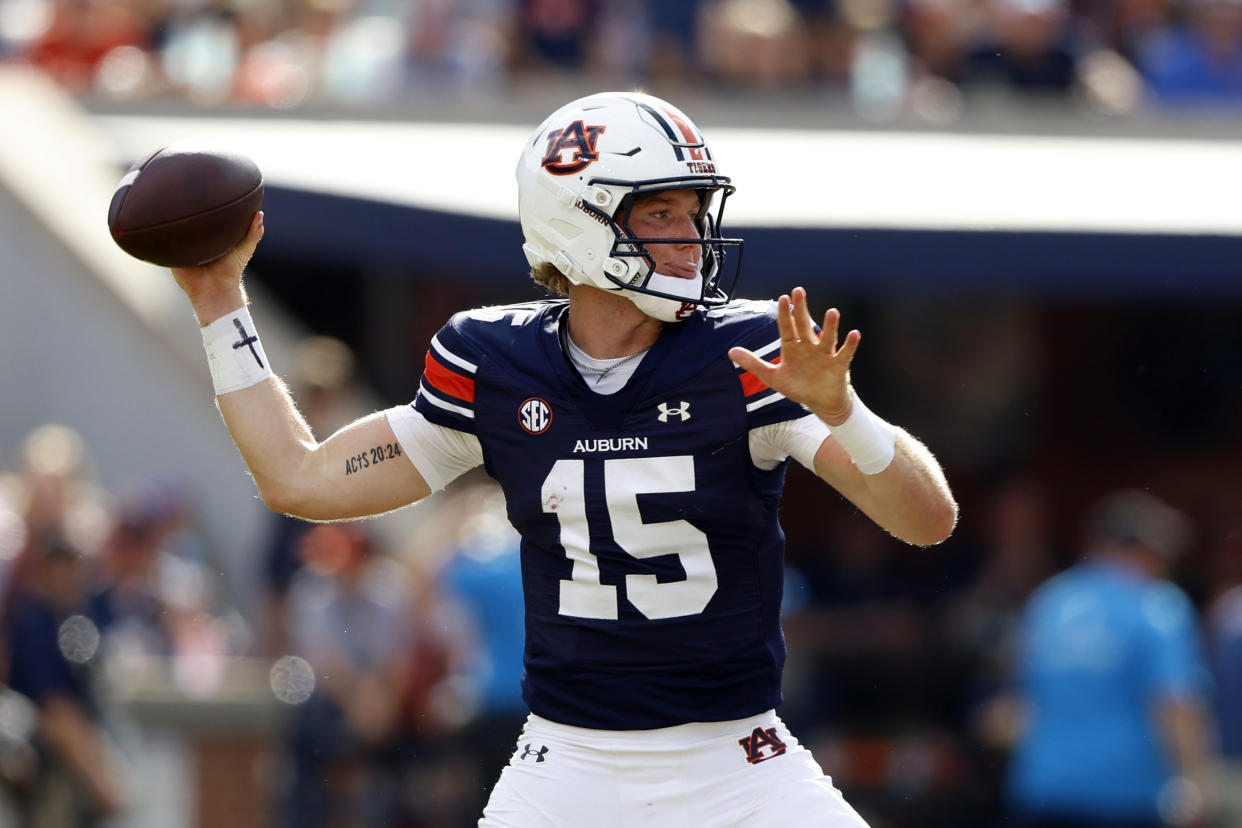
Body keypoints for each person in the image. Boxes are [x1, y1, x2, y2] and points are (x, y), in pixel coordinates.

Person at [168, 90, 957, 827]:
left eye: (694, 208)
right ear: (578, 221)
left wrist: (844, 412)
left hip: (739, 761)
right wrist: (218, 301)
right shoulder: (492, 363)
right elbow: (298, 478)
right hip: (570, 763)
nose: (692, 236)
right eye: (660, 211)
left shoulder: (747, 353)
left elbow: (928, 522)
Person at [1004, 488, 1215, 828]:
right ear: (1143, 548)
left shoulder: (1049, 602)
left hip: (1044, 793)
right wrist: (1197, 785)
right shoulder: (1156, 606)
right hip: (1124, 800)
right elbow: (1177, 704)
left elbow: (1019, 704)